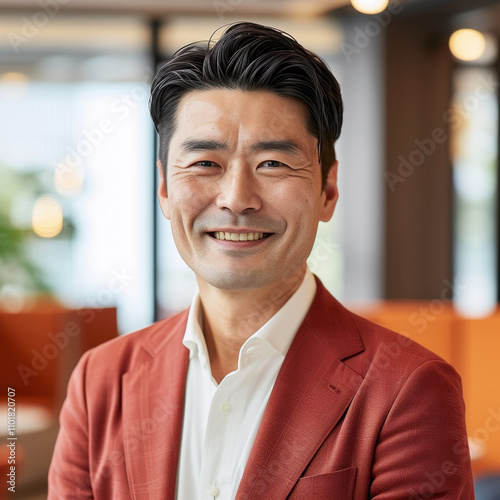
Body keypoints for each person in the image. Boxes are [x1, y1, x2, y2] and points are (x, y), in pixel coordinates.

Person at [48, 22, 474, 499]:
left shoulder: (408, 390)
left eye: (272, 163)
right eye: (205, 163)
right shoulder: (100, 382)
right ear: (165, 188)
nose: (237, 198)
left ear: (327, 190)